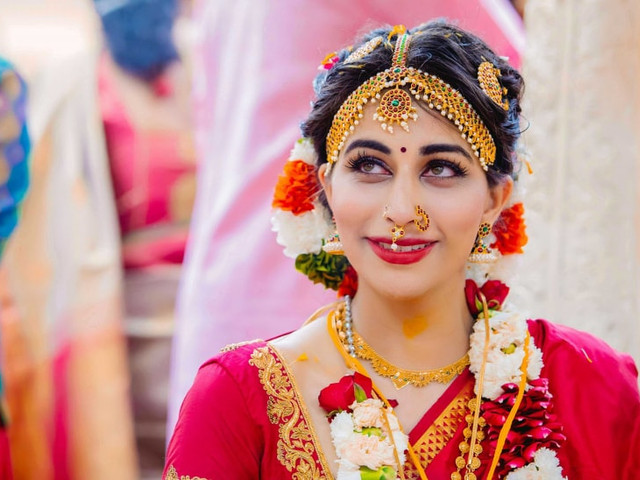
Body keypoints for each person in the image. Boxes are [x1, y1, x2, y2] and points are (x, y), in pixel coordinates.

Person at [163, 21, 640, 480]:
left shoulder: (596, 389)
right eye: (370, 165)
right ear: (326, 188)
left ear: (494, 201)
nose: (401, 210)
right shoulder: (238, 399)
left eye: (442, 169)